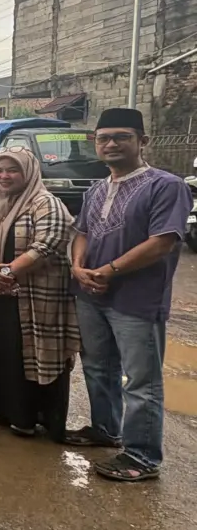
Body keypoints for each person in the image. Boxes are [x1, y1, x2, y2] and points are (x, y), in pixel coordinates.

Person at [64, 107, 191, 483]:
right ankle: (105, 429)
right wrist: (78, 266)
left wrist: (108, 270)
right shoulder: (96, 188)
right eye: (104, 138)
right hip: (91, 294)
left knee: (141, 380)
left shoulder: (166, 186)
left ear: (142, 141)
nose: (111, 144)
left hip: (136, 299)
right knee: (97, 366)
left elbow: (162, 242)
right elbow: (82, 232)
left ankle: (142, 456)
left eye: (122, 137)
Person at [0, 147, 79, 441]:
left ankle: (24, 415)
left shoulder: (46, 203)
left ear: (29, 172)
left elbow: (47, 244)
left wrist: (8, 273)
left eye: (13, 170)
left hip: (31, 295)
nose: (4, 176)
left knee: (24, 352)